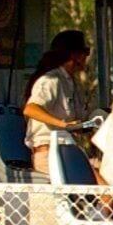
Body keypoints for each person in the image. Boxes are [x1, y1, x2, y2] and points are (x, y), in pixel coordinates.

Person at [22, 30, 95, 186]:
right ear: (75, 55)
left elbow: (80, 119)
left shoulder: (73, 83)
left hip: (70, 154)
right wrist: (63, 125)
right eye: (85, 52)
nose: (86, 58)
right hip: (51, 154)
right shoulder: (51, 80)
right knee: (104, 190)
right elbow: (30, 109)